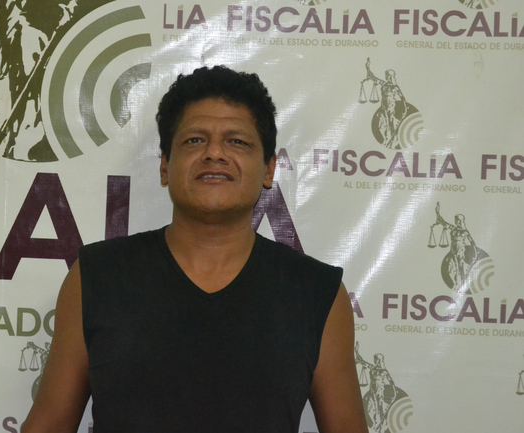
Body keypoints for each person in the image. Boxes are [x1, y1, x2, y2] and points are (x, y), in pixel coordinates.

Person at [21, 66, 367, 432]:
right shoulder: (96, 277)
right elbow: (48, 425)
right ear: (165, 166)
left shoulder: (317, 293)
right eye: (194, 140)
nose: (214, 153)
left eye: (237, 141)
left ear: (269, 170)